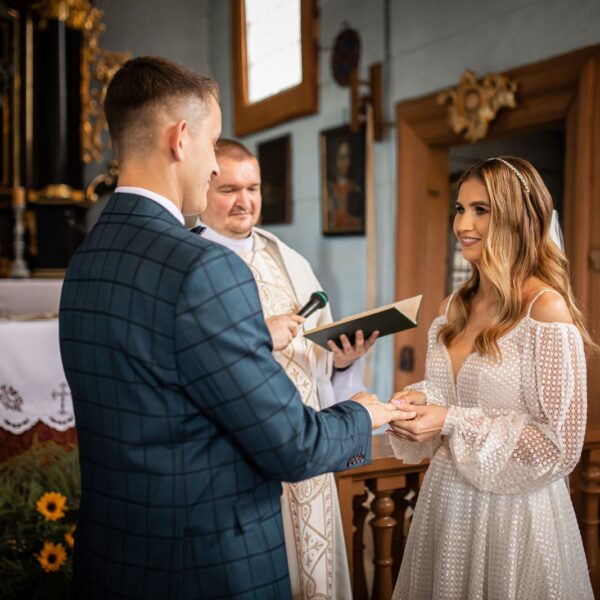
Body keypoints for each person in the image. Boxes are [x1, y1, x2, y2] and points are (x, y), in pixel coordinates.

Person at [58, 56, 412, 600]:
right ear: (180, 139)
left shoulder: (87, 257)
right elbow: (293, 445)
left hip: (115, 557)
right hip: (205, 567)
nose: (212, 168)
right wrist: (364, 413)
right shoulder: (203, 267)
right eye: (211, 143)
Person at [388, 156, 596, 599]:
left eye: (481, 210)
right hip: (446, 504)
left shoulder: (544, 310)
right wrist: (417, 402)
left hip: (514, 515)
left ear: (518, 218)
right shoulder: (452, 308)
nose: (463, 224)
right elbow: (450, 394)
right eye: (460, 209)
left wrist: (450, 419)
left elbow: (559, 445)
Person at [196, 138, 377, 598]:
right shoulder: (189, 262)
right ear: (202, 189)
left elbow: (317, 358)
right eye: (229, 190)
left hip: (307, 445)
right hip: (240, 457)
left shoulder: (289, 260)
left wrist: (340, 362)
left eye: (253, 188)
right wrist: (258, 332)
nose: (244, 201)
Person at [327, 138, 363, 232]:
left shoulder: (355, 188)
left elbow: (358, 222)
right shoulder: (329, 189)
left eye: (347, 156)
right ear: (335, 159)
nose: (345, 161)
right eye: (341, 157)